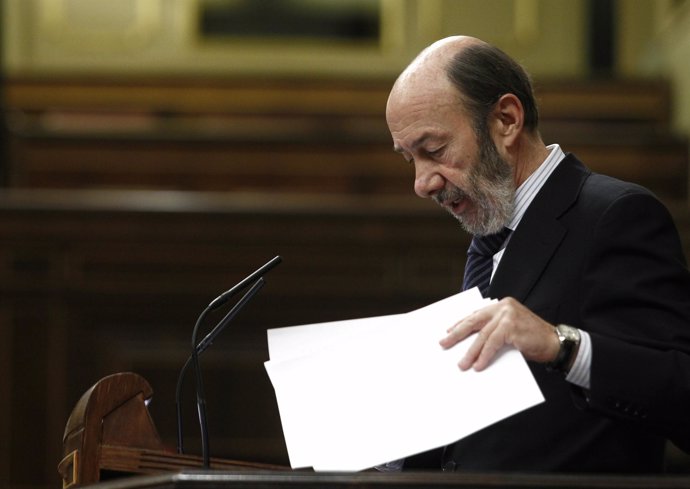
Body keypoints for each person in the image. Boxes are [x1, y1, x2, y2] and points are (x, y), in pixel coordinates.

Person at [385, 35, 690, 473]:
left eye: (433, 150)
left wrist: (561, 345)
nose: (422, 183)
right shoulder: (489, 232)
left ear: (506, 120)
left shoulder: (616, 215)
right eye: (408, 159)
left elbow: (682, 393)